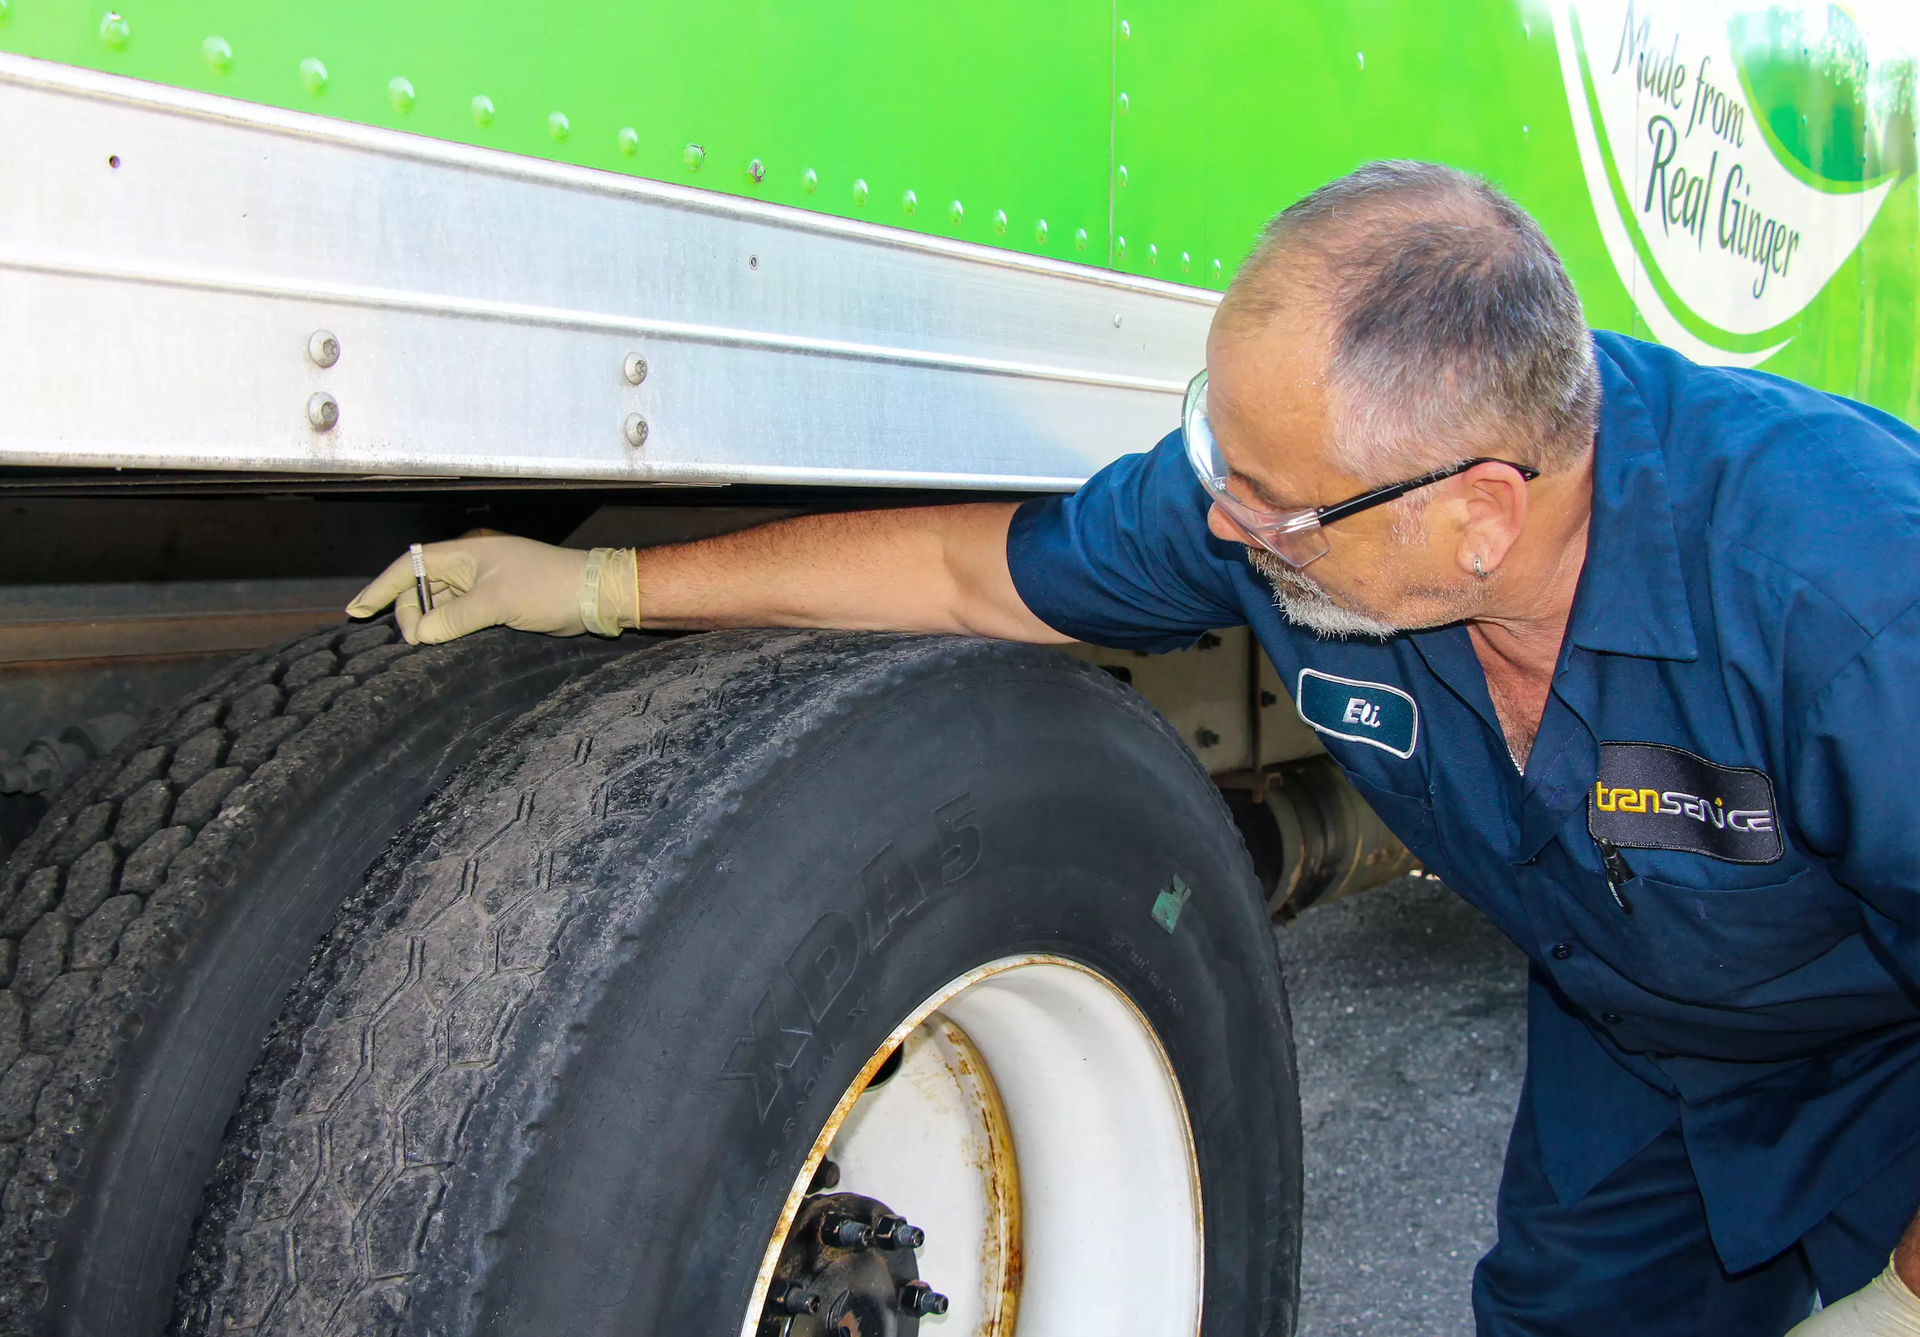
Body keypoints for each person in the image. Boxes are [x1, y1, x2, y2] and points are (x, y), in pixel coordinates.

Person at [349, 161, 1920, 1337]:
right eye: (1221, 462)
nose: (1226, 526)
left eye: (1274, 507)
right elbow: (969, 574)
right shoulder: (1301, 504)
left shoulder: (1849, 595)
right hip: (1635, 1041)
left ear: (1479, 516)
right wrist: (602, 589)